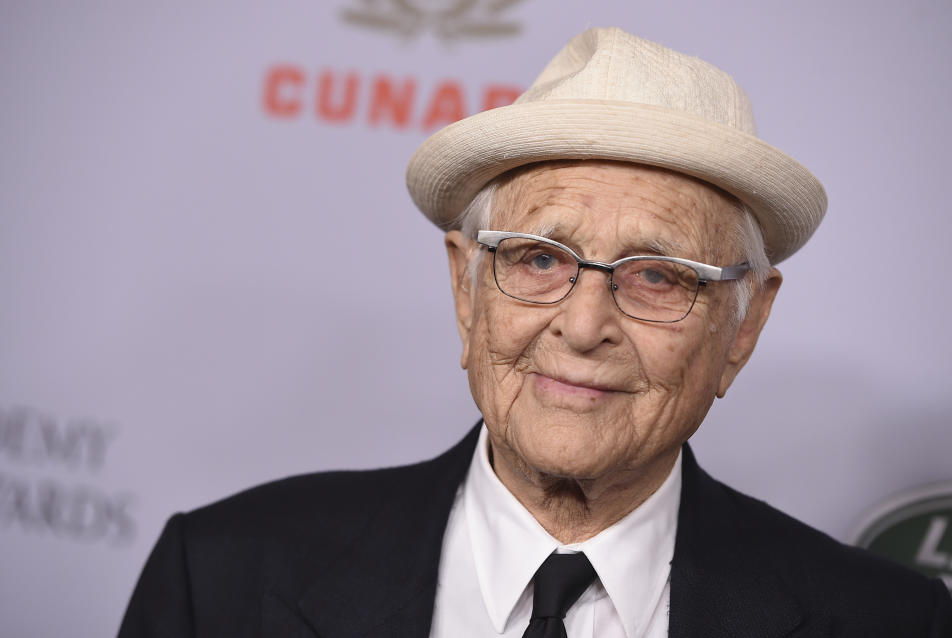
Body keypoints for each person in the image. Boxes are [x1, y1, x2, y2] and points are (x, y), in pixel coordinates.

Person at [118, 27, 952, 638]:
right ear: (465, 286)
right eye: (540, 260)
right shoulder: (221, 577)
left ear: (745, 326)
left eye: (659, 275)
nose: (584, 325)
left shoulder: (889, 622)